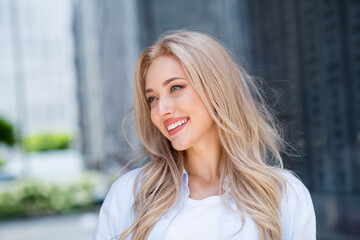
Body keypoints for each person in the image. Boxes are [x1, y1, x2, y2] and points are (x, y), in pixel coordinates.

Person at [93, 30, 316, 240]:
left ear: (215, 88)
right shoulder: (129, 195)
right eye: (152, 99)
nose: (161, 110)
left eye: (176, 88)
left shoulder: (285, 195)